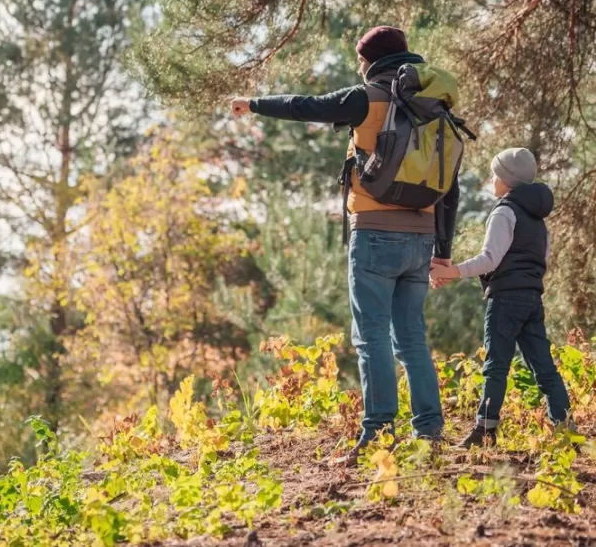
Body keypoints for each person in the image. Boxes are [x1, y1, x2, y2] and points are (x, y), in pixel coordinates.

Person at [231, 26, 460, 465]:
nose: (358, 67)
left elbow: (307, 106)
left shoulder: (369, 96)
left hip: (375, 233)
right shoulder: (437, 108)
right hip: (423, 235)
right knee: (411, 337)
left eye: (360, 60)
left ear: (371, 60)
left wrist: (255, 104)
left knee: (371, 336)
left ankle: (378, 433)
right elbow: (448, 187)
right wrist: (442, 251)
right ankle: (429, 431)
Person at [429, 147, 573, 448]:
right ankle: (566, 427)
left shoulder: (504, 211)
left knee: (496, 364)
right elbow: (542, 260)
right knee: (544, 367)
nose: (491, 180)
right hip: (532, 299)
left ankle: (485, 431)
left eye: (495, 175)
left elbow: (489, 259)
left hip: (506, 299)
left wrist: (451, 272)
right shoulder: (538, 220)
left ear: (507, 181)